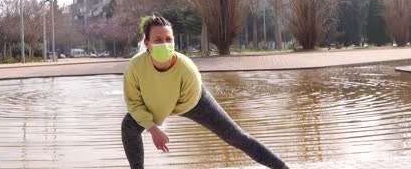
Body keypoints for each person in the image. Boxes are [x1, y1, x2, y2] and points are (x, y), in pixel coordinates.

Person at [122, 15, 290, 169]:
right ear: (147, 44)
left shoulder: (187, 69)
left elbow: (166, 108)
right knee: (128, 125)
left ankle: (282, 167)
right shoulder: (135, 67)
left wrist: (153, 124)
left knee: (235, 135)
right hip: (158, 102)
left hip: (192, 101)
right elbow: (133, 103)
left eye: (168, 39)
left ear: (174, 41)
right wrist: (153, 129)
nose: (164, 44)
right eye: (158, 40)